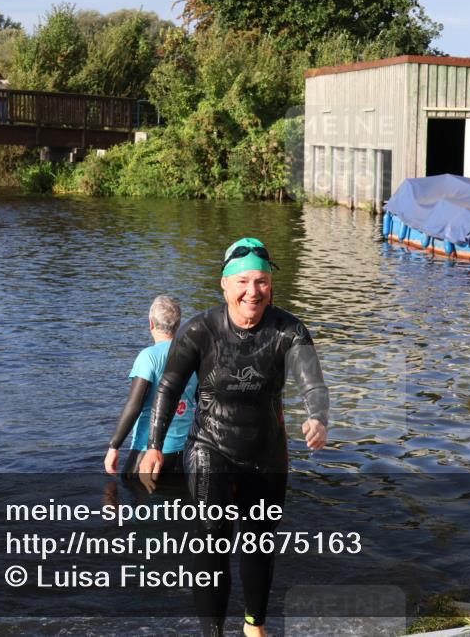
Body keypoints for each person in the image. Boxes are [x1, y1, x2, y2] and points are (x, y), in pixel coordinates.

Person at [140, 237, 329, 637]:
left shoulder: (289, 330)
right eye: (243, 281)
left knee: (260, 542)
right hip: (210, 444)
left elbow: (312, 382)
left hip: (267, 449)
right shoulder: (199, 330)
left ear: (270, 285)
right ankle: (214, 632)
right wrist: (154, 445)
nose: (252, 292)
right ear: (224, 284)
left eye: (261, 281)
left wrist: (317, 417)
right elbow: (169, 387)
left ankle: (253, 625)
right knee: (211, 538)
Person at [104, 295, 198, 482]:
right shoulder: (193, 355)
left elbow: (134, 405)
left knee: (133, 500)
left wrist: (114, 447)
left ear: (151, 324)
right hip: (186, 453)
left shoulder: (148, 357)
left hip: (149, 452)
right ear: (178, 325)